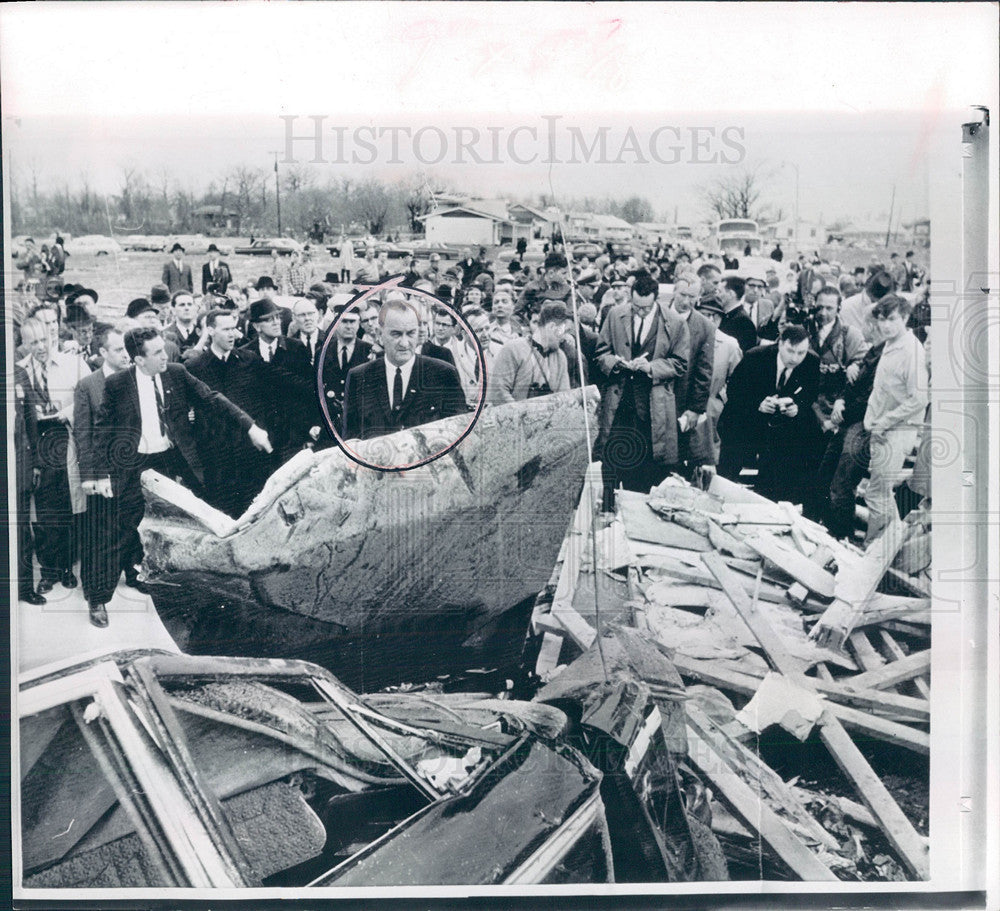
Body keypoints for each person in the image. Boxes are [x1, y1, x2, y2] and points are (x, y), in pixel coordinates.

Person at [89, 328, 271, 626]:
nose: (165, 355)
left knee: (173, 523)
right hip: (132, 463)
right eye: (157, 352)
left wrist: (250, 426)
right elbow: (103, 430)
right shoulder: (117, 385)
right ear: (138, 359)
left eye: (164, 349)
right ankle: (98, 598)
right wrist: (100, 475)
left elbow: (213, 399)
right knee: (121, 528)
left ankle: (142, 575)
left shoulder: (176, 373)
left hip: (170, 458)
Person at [593, 271, 690, 510]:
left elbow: (680, 363)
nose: (640, 311)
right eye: (636, 306)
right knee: (611, 465)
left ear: (655, 300)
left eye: (645, 308)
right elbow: (600, 353)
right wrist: (614, 363)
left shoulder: (674, 323)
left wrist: (651, 367)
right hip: (619, 405)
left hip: (651, 410)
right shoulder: (615, 315)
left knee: (647, 472)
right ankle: (607, 514)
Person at [18, 311, 89, 595]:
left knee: (69, 507)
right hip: (38, 444)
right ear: (24, 344)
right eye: (32, 342)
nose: (40, 346)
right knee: (45, 511)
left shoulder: (74, 364)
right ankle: (48, 571)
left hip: (68, 439)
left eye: (44, 339)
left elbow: (90, 398)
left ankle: (66, 569)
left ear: (52, 336)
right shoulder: (19, 371)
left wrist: (66, 412)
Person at [717, 324, 819, 504]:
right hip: (745, 421)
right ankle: (718, 498)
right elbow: (734, 390)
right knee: (729, 468)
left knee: (777, 473)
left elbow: (810, 394)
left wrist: (797, 407)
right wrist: (758, 404)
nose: (794, 358)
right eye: (790, 351)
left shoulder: (812, 361)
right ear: (780, 344)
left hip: (780, 426)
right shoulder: (755, 356)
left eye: (801, 353)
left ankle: (768, 504)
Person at [187, 310, 275, 517]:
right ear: (210, 331)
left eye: (234, 328)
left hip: (250, 451)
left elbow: (266, 400)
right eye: (226, 329)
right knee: (223, 511)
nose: (233, 334)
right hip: (216, 455)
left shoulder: (249, 360)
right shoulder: (195, 367)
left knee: (255, 510)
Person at [342, 298, 467, 441]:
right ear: (379, 334)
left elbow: (458, 434)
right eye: (396, 334)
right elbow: (351, 441)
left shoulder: (443, 374)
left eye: (411, 333)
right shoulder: (359, 377)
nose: (404, 343)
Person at [74, 325, 132, 622]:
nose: (126, 354)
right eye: (119, 349)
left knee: (127, 532)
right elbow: (83, 435)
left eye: (127, 348)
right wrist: (90, 477)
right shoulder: (88, 385)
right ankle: (96, 598)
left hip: (134, 472)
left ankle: (125, 579)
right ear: (102, 353)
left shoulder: (138, 379)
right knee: (100, 536)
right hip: (103, 475)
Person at [861, 294, 928, 543]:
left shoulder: (912, 351)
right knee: (879, 492)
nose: (884, 325)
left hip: (897, 430)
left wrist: (885, 421)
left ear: (905, 318)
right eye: (881, 319)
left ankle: (875, 547)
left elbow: (919, 398)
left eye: (891, 319)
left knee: (877, 493)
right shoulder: (891, 342)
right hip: (882, 429)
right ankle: (887, 544)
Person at [803, 286, 869, 519]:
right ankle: (807, 513)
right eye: (819, 306)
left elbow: (863, 362)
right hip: (808, 404)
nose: (823, 312)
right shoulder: (806, 329)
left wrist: (855, 366)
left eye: (829, 308)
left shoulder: (850, 335)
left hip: (834, 407)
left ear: (839, 308)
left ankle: (823, 517)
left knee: (827, 470)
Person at [239, 298, 313, 463]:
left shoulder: (296, 348)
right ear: (257, 326)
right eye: (269, 319)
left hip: (292, 434)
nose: (276, 323)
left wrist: (307, 430)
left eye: (277, 318)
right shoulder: (246, 353)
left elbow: (308, 390)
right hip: (262, 435)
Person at [669, 277, 717, 485]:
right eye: (682, 295)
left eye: (692, 297)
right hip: (653, 400)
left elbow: (704, 371)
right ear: (673, 292)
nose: (686, 301)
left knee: (676, 458)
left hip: (682, 403)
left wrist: (695, 409)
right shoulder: (659, 316)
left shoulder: (705, 327)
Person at [487, 301, 572, 404]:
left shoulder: (560, 357)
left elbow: (564, 397)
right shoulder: (512, 349)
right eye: (565, 331)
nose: (565, 337)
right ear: (552, 327)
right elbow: (499, 392)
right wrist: (522, 416)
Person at [14, 362, 44, 604]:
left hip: (19, 465)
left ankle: (25, 589)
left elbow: (31, 421)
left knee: (22, 530)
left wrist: (35, 462)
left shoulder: (19, 373)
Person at [319, 303, 374, 434]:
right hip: (330, 425)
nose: (349, 326)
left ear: (359, 323)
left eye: (353, 321)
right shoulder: (322, 353)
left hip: (360, 425)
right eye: (344, 321)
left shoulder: (370, 351)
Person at [289, 293, 329, 368]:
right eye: (302, 315)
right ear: (294, 318)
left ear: (318, 314)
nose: (307, 318)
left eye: (311, 314)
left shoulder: (330, 341)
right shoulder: (288, 346)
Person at [162, 290, 203, 354]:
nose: (187, 308)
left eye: (190, 304)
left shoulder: (202, 333)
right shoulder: (165, 334)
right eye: (182, 305)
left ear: (195, 308)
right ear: (173, 310)